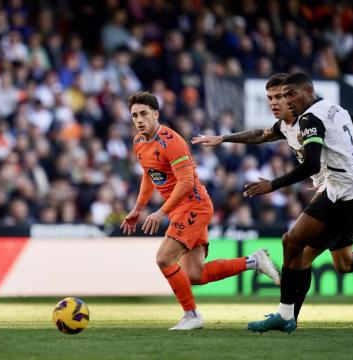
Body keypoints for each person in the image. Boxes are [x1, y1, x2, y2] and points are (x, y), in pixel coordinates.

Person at [191, 73, 353, 322]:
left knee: (303, 251)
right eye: (271, 97)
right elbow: (262, 134)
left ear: (298, 94)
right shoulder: (298, 121)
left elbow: (317, 161)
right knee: (343, 264)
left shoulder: (311, 120)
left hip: (347, 196)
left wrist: (349, 173)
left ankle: (288, 317)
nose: (276, 102)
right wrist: (224, 138)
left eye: (282, 96)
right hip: (336, 194)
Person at [120, 91, 280, 330]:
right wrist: (138, 208)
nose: (139, 119)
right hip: (180, 210)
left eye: (143, 114)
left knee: (164, 258)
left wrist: (160, 212)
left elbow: (185, 183)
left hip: (194, 205)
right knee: (194, 275)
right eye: (134, 115)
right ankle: (253, 261)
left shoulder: (171, 142)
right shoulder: (138, 142)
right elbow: (149, 175)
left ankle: (192, 315)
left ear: (156, 114)